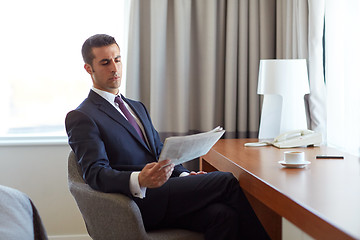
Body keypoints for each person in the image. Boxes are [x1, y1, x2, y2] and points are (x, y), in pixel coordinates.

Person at [65, 34, 269, 240]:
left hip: (165, 194)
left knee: (223, 216)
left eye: (117, 59)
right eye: (105, 62)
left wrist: (183, 176)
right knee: (225, 181)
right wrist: (139, 179)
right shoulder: (82, 116)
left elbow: (159, 152)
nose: (114, 68)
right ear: (89, 69)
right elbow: (95, 174)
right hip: (134, 203)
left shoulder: (136, 107)